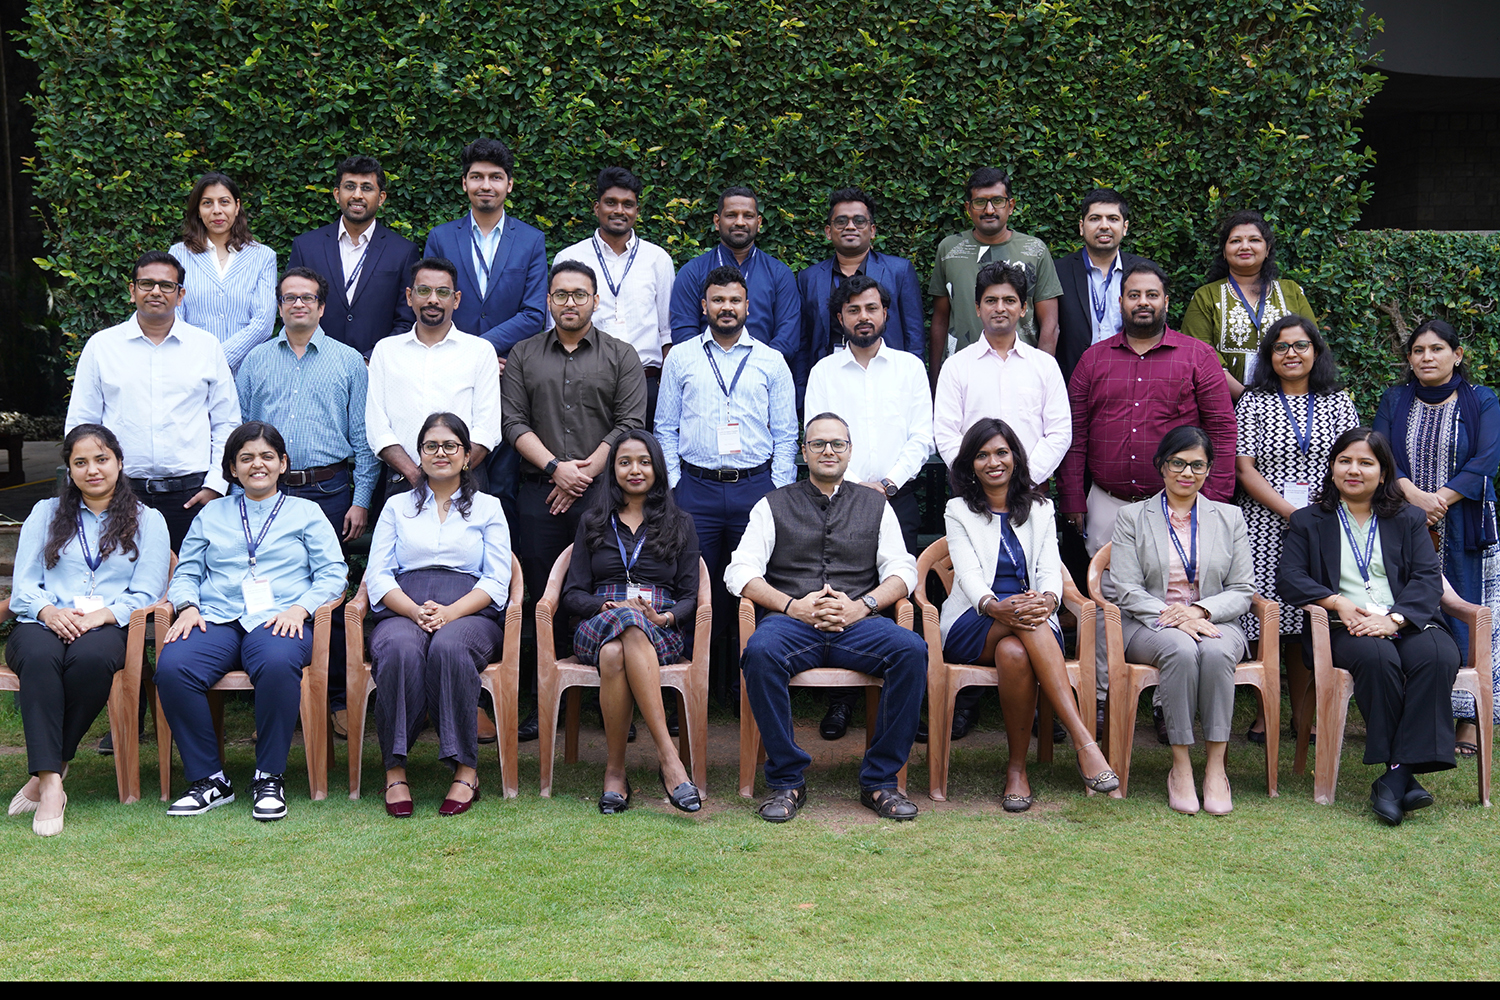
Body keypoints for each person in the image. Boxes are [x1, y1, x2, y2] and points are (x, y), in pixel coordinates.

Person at [727, 413, 927, 823]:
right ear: (804, 452)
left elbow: (904, 570)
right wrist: (790, 605)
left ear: (850, 451)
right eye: (818, 444)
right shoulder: (773, 503)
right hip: (792, 623)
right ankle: (787, 780)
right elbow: (740, 571)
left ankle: (880, 781)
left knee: (911, 650)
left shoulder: (875, 504)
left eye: (837, 443)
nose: (828, 451)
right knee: (760, 651)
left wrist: (864, 606)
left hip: (860, 625)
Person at [1059, 262, 1237, 708]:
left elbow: (1221, 425)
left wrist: (1210, 498)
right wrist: (1074, 498)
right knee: (1105, 601)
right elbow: (1075, 431)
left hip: (1177, 503)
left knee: (1171, 593)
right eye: (1133, 295)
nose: (1143, 303)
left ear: (1165, 302)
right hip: (1108, 501)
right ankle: (1101, 697)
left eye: (1151, 295)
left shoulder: (1196, 355)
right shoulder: (1094, 359)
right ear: (1120, 302)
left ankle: (1163, 702)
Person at [155, 422, 347, 822]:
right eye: (246, 458)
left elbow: (333, 573)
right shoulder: (212, 514)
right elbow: (186, 571)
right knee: (173, 666)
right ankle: (210, 779)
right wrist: (187, 605)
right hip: (218, 617)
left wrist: (302, 608)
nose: (256, 465)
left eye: (266, 456)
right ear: (232, 468)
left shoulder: (306, 512)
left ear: (282, 463)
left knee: (277, 664)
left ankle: (268, 776)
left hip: (281, 618)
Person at [1277, 427, 1461, 826]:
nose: (1353, 470)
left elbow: (1427, 579)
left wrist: (1394, 617)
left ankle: (1395, 778)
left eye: (1365, 462)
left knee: (1438, 654)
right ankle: (1402, 776)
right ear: (1331, 468)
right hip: (1347, 627)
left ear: (1383, 472)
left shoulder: (1408, 518)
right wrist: (1337, 601)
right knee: (1378, 657)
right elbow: (1288, 578)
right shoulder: (1309, 520)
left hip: (1405, 620)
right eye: (1344, 461)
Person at [940, 419, 1119, 811]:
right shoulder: (958, 510)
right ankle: (1083, 741)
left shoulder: (1040, 508)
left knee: (1015, 653)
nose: (993, 462)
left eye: (1001, 452)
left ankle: (1017, 771)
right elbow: (968, 575)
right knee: (1023, 621)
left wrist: (1050, 601)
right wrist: (994, 605)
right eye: (983, 455)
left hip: (1033, 615)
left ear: (1016, 458)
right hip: (975, 619)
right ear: (970, 464)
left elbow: (1048, 569)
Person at [502, 260, 648, 739]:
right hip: (538, 494)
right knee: (542, 596)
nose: (570, 302)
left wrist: (583, 473)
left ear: (594, 301)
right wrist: (555, 470)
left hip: (602, 496)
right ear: (549, 299)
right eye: (561, 294)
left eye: (579, 294)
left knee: (602, 589)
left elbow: (629, 423)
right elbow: (513, 424)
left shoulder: (622, 355)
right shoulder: (523, 354)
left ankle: (615, 705)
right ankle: (541, 701)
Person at [5, 425, 171, 836]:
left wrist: (103, 615)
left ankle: (48, 772)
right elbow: (24, 584)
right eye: (81, 462)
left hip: (107, 624)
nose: (92, 470)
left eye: (101, 460)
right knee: (41, 659)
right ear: (69, 470)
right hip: (42, 621)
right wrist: (45, 610)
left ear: (118, 463)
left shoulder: (148, 520)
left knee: (92, 660)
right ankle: (52, 784)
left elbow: (148, 590)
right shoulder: (45, 513)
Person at [237, 266, 380, 737]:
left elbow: (362, 440)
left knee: (329, 596)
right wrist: (243, 494)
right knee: (268, 590)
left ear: (321, 306)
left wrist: (360, 500)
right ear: (280, 305)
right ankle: (275, 702)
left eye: (308, 298)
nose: (298, 304)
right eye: (290, 297)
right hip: (266, 492)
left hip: (329, 492)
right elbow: (239, 432)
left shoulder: (346, 362)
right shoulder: (256, 361)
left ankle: (335, 698)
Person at [803, 273, 932, 740]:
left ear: (885, 314)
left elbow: (923, 434)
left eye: (872, 308)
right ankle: (841, 702)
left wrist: (889, 483)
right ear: (840, 318)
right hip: (837, 498)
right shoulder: (823, 372)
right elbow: (817, 433)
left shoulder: (909, 368)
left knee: (900, 590)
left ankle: (908, 701)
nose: (864, 317)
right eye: (854, 310)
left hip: (898, 495)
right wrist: (856, 487)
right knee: (840, 584)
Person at [365, 413, 511, 818]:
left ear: (467, 456)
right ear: (421, 454)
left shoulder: (488, 507)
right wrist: (413, 610)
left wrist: (450, 613)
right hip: (404, 608)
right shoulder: (396, 506)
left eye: (450, 446)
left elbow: (498, 579)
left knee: (449, 647)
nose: (440, 453)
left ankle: (465, 769)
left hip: (468, 611)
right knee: (396, 650)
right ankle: (395, 770)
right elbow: (376, 575)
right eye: (431, 446)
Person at [656, 265, 797, 677]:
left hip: (755, 488)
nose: (727, 307)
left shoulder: (771, 361)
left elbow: (787, 434)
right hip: (695, 488)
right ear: (704, 307)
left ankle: (745, 683)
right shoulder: (681, 357)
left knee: (751, 583)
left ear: (748, 307)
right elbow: (664, 427)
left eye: (734, 300)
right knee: (693, 585)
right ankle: (690, 678)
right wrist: (676, 485)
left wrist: (779, 491)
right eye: (718, 300)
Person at [1109, 426, 1254, 816]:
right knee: (1180, 649)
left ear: (1208, 470)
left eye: (1197, 465)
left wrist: (1200, 612)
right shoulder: (1131, 517)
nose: (1187, 473)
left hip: (1213, 621)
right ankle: (1181, 766)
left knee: (1217, 652)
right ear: (1162, 465)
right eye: (1178, 463)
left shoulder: (1229, 517)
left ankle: (1217, 769)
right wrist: (1173, 616)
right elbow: (1125, 587)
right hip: (1151, 624)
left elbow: (1242, 588)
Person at [1373, 319, 1500, 755]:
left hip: (1465, 521)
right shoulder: (1395, 399)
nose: (1427, 357)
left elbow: (1486, 458)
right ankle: (1415, 710)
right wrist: (1414, 496)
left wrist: (1439, 500)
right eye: (1419, 351)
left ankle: (1467, 718)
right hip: (1404, 521)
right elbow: (1381, 454)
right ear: (1409, 359)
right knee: (1409, 607)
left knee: (1469, 608)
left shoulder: (1481, 399)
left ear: (1457, 355)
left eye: (1437, 349)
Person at [1234, 314, 1360, 743]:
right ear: (1269, 355)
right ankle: (1265, 713)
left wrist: (1317, 514)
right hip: (1265, 525)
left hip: (1325, 524)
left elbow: (1352, 462)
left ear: (1316, 352)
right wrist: (1292, 512)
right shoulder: (1253, 401)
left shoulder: (1338, 400)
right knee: (1268, 619)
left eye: (1301, 345)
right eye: (1281, 346)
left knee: (1311, 618)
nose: (1291, 353)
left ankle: (1303, 716)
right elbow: (1244, 468)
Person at [562, 431, 703, 814]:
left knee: (614, 654)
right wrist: (606, 605)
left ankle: (615, 771)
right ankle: (670, 761)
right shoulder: (593, 521)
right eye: (625, 462)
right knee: (623, 622)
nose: (635, 470)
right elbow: (571, 594)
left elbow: (691, 596)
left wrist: (665, 616)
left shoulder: (681, 522)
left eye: (643, 461)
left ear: (657, 467)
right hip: (598, 623)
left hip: (659, 629)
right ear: (613, 470)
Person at [65, 250, 242, 553]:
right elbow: (82, 423)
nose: (156, 291)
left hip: (192, 495)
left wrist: (215, 485)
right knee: (123, 584)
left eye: (167, 285)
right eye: (146, 284)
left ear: (180, 294)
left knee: (191, 584)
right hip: (121, 492)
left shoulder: (205, 346)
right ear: (132, 290)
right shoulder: (102, 347)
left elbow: (226, 421)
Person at [366, 257, 503, 500]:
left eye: (442, 292)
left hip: (467, 483)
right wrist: (417, 476)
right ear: (409, 296)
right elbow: (378, 427)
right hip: (402, 483)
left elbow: (487, 429)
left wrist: (450, 475)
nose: (432, 299)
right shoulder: (386, 351)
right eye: (423, 291)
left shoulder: (480, 351)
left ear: (456, 299)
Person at [552, 167, 676, 428]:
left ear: (637, 211)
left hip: (646, 381)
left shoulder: (657, 259)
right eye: (611, 203)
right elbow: (555, 327)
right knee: (590, 464)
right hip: (585, 379)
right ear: (597, 208)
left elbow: (667, 331)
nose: (619, 210)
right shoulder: (569, 258)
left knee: (642, 464)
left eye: (628, 204)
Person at [933, 260, 1071, 479]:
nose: (1000, 308)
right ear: (978, 308)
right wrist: (980, 478)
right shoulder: (956, 367)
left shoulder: (1044, 366)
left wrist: (1026, 477)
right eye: (991, 300)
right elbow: (945, 433)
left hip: (1031, 490)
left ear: (1023, 308)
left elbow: (1059, 432)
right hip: (972, 493)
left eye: (1009, 300)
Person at [928, 167, 1062, 385]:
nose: (989, 210)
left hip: (1022, 374)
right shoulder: (949, 250)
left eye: (998, 201)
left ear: (1011, 206)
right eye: (980, 202)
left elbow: (1050, 324)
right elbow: (940, 320)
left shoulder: (1034, 250)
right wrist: (935, 381)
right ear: (968, 208)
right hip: (963, 376)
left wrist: (1041, 378)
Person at [422, 137, 548, 357]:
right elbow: (429, 303)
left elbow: (534, 313)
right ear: (464, 183)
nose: (486, 185)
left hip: (509, 365)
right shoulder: (440, 238)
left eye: (496, 177)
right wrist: (466, 354)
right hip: (449, 360)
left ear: (509, 184)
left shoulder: (532, 240)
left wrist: (482, 350)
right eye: (477, 177)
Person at [287, 154, 423, 358]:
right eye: (349, 186)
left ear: (381, 198)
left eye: (367, 188)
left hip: (377, 368)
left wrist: (371, 359)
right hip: (314, 363)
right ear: (336, 194)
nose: (357, 195)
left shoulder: (403, 252)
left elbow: (406, 319)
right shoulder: (306, 246)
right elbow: (292, 309)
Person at [668, 187, 802, 390]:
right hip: (704, 381)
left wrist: (755, 370)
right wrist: (711, 371)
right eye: (731, 215)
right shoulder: (692, 272)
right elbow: (684, 333)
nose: (740, 222)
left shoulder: (779, 274)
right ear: (716, 221)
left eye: (748, 216)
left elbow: (787, 336)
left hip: (762, 381)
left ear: (758, 223)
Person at [1181, 210, 1315, 401]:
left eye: (1254, 240)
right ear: (1224, 252)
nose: (1245, 246)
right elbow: (1199, 355)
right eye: (1235, 241)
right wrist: (1246, 399)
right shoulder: (1206, 296)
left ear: (1267, 249)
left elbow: (1311, 346)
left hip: (1290, 402)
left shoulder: (1291, 291)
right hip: (1223, 404)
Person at [795, 187, 924, 376]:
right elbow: (803, 342)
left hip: (888, 376)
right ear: (828, 232)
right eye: (841, 221)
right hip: (829, 378)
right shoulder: (809, 278)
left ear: (872, 230)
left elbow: (915, 336)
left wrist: (913, 380)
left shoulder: (899, 271)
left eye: (859, 221)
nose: (850, 227)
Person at [168, 172, 278, 373]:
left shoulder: (263, 257)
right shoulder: (179, 254)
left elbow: (263, 322)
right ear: (198, 211)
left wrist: (218, 359)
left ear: (237, 207)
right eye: (207, 203)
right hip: (192, 368)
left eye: (224, 202)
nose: (216, 210)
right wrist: (199, 360)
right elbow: (174, 315)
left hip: (246, 371)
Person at [1054, 188, 1148, 383]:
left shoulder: (1146, 272)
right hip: (1073, 383)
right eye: (1095, 218)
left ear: (1125, 227)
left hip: (1132, 380)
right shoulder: (1058, 272)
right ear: (1082, 227)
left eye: (1113, 219)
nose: (1104, 226)